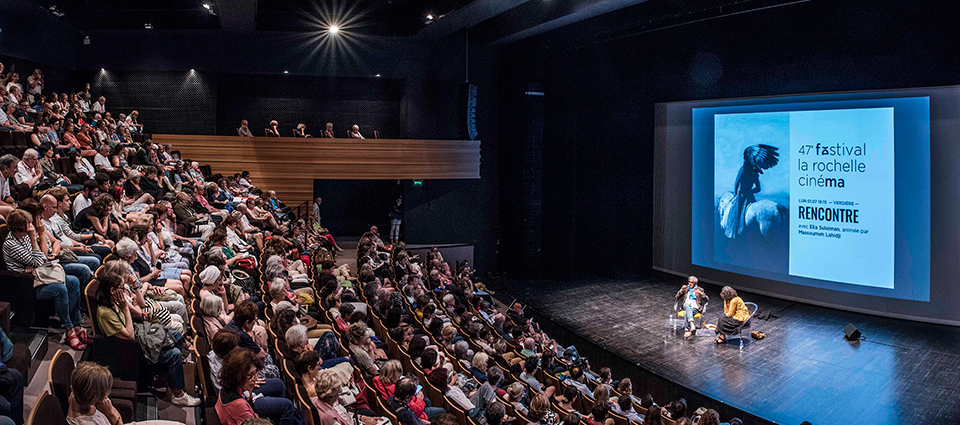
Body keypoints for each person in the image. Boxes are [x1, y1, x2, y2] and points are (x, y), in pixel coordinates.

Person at [95, 271, 200, 406]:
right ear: (112, 290)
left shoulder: (115, 301)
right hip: (132, 349)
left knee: (177, 335)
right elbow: (129, 336)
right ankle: (178, 394)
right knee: (175, 354)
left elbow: (139, 308)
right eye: (122, 288)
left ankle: (172, 379)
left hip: (140, 336)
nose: (124, 290)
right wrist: (126, 308)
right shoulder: (105, 312)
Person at [3, 209, 88, 350]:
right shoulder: (11, 244)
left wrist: (35, 260)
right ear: (19, 227)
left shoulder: (24, 237)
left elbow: (42, 256)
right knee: (60, 289)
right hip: (26, 283)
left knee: (73, 281)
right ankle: (69, 330)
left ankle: (77, 324)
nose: (32, 226)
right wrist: (34, 248)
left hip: (39, 274)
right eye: (28, 224)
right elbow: (38, 260)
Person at [66, 361, 181, 425]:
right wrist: (110, 412)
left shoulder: (76, 394)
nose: (106, 395)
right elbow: (117, 418)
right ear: (93, 395)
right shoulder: (85, 422)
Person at [311, 369, 384, 425]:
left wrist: (362, 418)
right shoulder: (331, 420)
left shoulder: (314, 400)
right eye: (339, 390)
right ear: (333, 394)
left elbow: (344, 414)